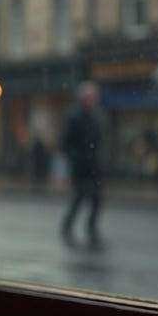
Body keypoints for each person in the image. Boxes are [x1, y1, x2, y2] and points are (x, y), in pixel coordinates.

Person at [60, 82, 104, 248]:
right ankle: (67, 226)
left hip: (93, 166)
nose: (92, 100)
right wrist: (77, 158)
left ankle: (91, 227)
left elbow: (98, 140)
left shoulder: (95, 116)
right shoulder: (74, 117)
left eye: (94, 97)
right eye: (89, 97)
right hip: (80, 168)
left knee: (97, 199)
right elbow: (65, 143)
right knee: (79, 198)